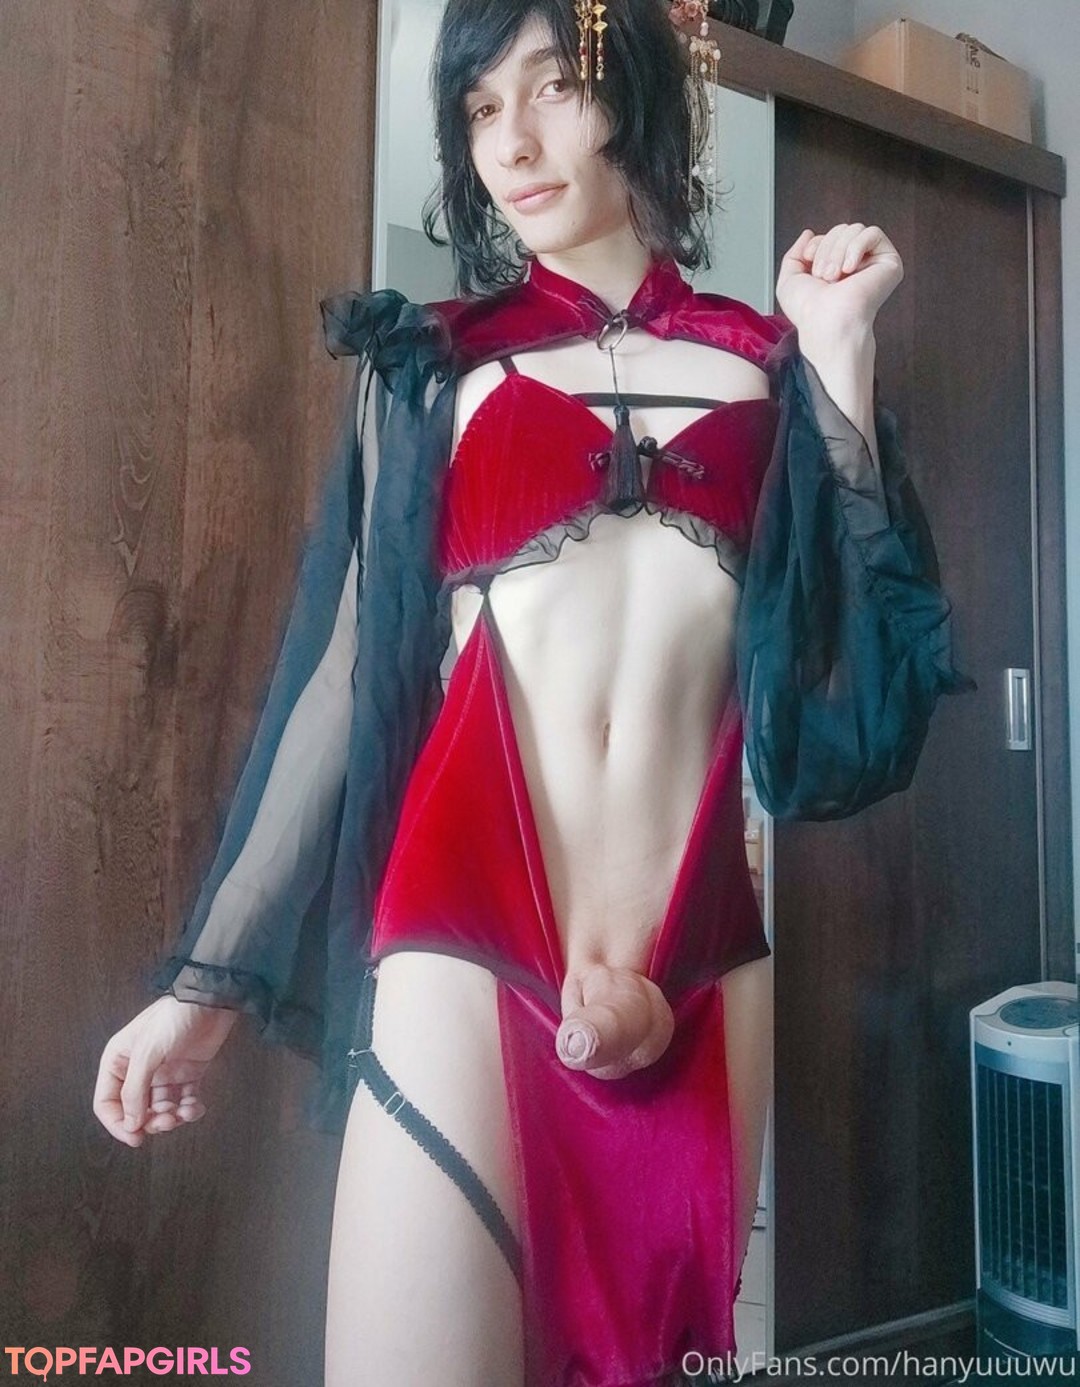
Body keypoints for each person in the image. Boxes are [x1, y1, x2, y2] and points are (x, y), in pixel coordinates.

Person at [93, 0, 974, 1382]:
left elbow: (852, 727)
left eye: (551, 86)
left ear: (634, 90)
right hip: (465, 934)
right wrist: (203, 988)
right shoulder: (429, 369)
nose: (510, 141)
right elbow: (339, 687)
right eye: (479, 107)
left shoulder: (769, 364)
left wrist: (842, 356)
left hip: (694, 957)